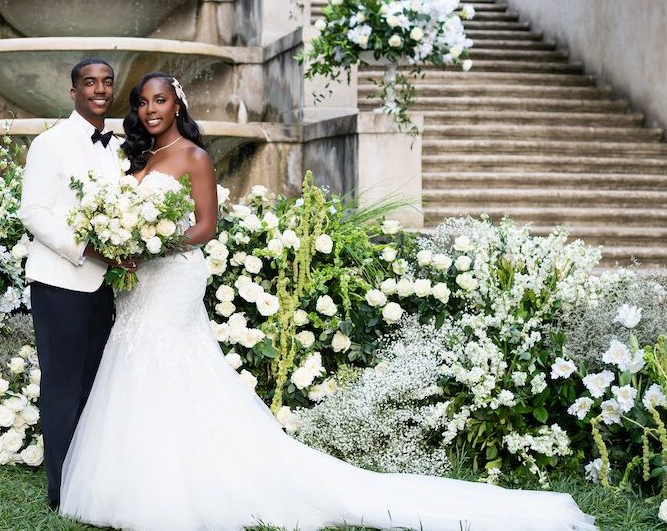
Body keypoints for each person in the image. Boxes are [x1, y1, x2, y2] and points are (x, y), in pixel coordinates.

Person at [58, 72, 596, 531]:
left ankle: (183, 486)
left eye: (160, 100)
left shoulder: (194, 155)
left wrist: (157, 243)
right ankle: (138, 477)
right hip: (138, 281)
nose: (151, 110)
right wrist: (126, 246)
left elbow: (205, 227)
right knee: (134, 359)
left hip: (173, 275)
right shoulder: (140, 156)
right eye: (143, 103)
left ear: (178, 104)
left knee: (169, 360)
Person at [18, 57, 129, 510]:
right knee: (63, 388)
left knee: (93, 386)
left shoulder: (118, 148)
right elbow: (33, 212)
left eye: (106, 82)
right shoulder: (49, 144)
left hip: (105, 287)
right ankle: (61, 492)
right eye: (89, 83)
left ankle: (89, 483)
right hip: (60, 282)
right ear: (73, 92)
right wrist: (84, 249)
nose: (99, 89)